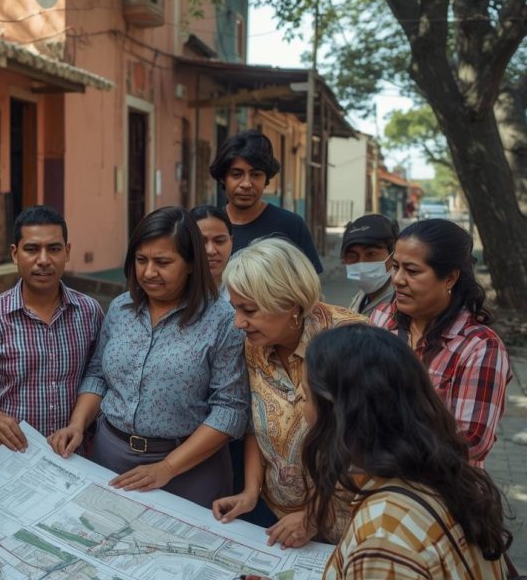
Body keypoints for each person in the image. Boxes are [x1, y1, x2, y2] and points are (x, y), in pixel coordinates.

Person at [241, 325, 508, 580]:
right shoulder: (440, 475)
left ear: (339, 410)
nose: (300, 396)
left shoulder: (385, 534)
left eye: (308, 387)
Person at [49, 206, 248, 507]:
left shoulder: (223, 321)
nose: (149, 272)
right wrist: (77, 424)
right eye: (141, 260)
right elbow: (98, 375)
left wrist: (167, 468)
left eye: (163, 262)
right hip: (109, 459)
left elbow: (230, 409)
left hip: (189, 471)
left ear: (192, 264)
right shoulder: (121, 309)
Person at [213, 238, 364, 545]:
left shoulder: (353, 340)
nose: (238, 322)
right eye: (235, 308)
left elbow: (373, 446)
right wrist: (250, 491)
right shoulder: (256, 345)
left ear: (290, 303)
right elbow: (258, 422)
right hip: (277, 514)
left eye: (249, 310)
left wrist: (315, 515)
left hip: (346, 524)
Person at [0, 205, 103, 459]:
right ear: (15, 254)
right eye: (32, 249)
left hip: (73, 458)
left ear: (67, 252)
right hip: (8, 458)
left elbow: (98, 378)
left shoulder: (89, 312)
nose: (43, 260)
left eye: (54, 249)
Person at [370, 219, 511, 466]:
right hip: (373, 483)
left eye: (412, 271)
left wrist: (378, 436)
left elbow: (471, 441)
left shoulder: (480, 347)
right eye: (395, 267)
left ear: (450, 278)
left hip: (438, 493)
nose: (397, 280)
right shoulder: (381, 319)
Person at [209, 130, 323, 273]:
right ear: (222, 178)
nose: (246, 184)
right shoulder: (208, 227)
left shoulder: (291, 226)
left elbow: (311, 289)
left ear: (266, 179)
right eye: (236, 174)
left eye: (256, 175)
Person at [340, 213, 398, 315]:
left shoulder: (401, 306)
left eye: (371, 254)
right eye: (353, 256)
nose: (361, 263)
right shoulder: (362, 297)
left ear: (393, 256)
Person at [189, 204, 233, 300]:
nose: (211, 251)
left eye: (220, 241)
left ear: (231, 242)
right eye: (201, 242)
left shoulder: (249, 289)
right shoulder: (173, 291)